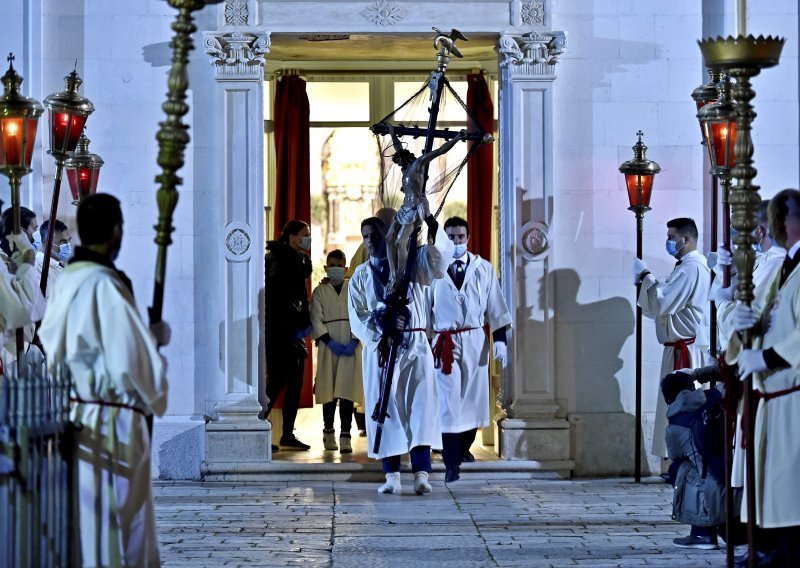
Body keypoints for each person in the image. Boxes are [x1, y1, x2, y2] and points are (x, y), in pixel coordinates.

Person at [38, 193, 170, 567]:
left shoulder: (66, 281)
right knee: (123, 526)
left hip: (78, 417)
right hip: (115, 425)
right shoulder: (105, 286)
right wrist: (154, 339)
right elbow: (131, 362)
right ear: (116, 232)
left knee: (91, 524)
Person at [348, 213, 453, 495]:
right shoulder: (360, 275)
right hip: (381, 349)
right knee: (386, 409)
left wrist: (430, 228)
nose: (370, 241)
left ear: (390, 236)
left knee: (420, 405)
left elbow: (438, 264)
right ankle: (391, 474)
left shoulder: (412, 265)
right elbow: (357, 316)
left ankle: (421, 472)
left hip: (415, 343)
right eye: (366, 237)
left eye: (376, 235)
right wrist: (380, 332)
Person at [726, 188, 800, 566]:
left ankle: (783, 550)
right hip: (772, 391)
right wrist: (745, 329)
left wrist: (766, 355)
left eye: (778, 217)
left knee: (787, 482)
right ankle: (772, 547)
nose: (773, 225)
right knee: (772, 481)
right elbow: (767, 315)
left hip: (791, 391)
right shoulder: (787, 265)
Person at [427, 216, 511, 482]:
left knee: (472, 397)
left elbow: (495, 305)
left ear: (468, 238)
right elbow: (426, 311)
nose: (455, 242)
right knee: (447, 399)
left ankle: (464, 449)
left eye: (460, 237)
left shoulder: (483, 269)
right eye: (450, 237)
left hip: (475, 340)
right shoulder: (433, 271)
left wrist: (500, 339)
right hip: (445, 341)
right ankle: (451, 455)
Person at [633, 217, 711, 460]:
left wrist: (645, 275)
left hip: (685, 352)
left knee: (683, 405)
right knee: (675, 404)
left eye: (671, 237)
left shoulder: (691, 268)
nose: (668, 242)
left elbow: (662, 301)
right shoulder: (685, 266)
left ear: (685, 239)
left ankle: (684, 458)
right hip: (677, 348)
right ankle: (679, 458)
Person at [382, 123, 467, 293]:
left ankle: (400, 275)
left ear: (403, 158)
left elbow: (439, 151)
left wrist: (457, 138)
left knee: (400, 241)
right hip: (404, 209)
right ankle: (393, 273)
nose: (398, 164)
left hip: (415, 210)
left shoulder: (417, 164)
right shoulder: (405, 167)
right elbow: (399, 147)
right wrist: (391, 132)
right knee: (390, 238)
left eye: (398, 161)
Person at [661, 370, 725, 550]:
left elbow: (674, 455)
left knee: (679, 469)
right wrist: (699, 374)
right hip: (732, 469)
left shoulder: (674, 423)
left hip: (712, 481)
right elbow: (732, 377)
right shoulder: (714, 396)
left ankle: (702, 533)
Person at [264, 219, 313, 451]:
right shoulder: (281, 259)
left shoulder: (295, 258)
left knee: (293, 381)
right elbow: (278, 293)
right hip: (282, 330)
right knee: (277, 381)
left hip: (290, 329)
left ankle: (287, 434)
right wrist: (292, 317)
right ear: (292, 237)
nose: (307, 238)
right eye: (304, 234)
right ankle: (258, 426)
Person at [310, 249, 364, 453]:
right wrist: (327, 341)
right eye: (331, 265)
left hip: (350, 343)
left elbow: (361, 314)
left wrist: (354, 340)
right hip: (328, 345)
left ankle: (345, 435)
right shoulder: (320, 291)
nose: (335, 269)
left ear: (346, 268)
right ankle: (328, 432)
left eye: (339, 266)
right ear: (325, 268)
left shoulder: (354, 289)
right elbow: (315, 318)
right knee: (329, 391)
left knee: (347, 391)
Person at [35, 218, 72, 297]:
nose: (68, 245)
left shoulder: (59, 266)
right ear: (46, 242)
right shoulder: (37, 269)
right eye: (62, 242)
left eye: (68, 241)